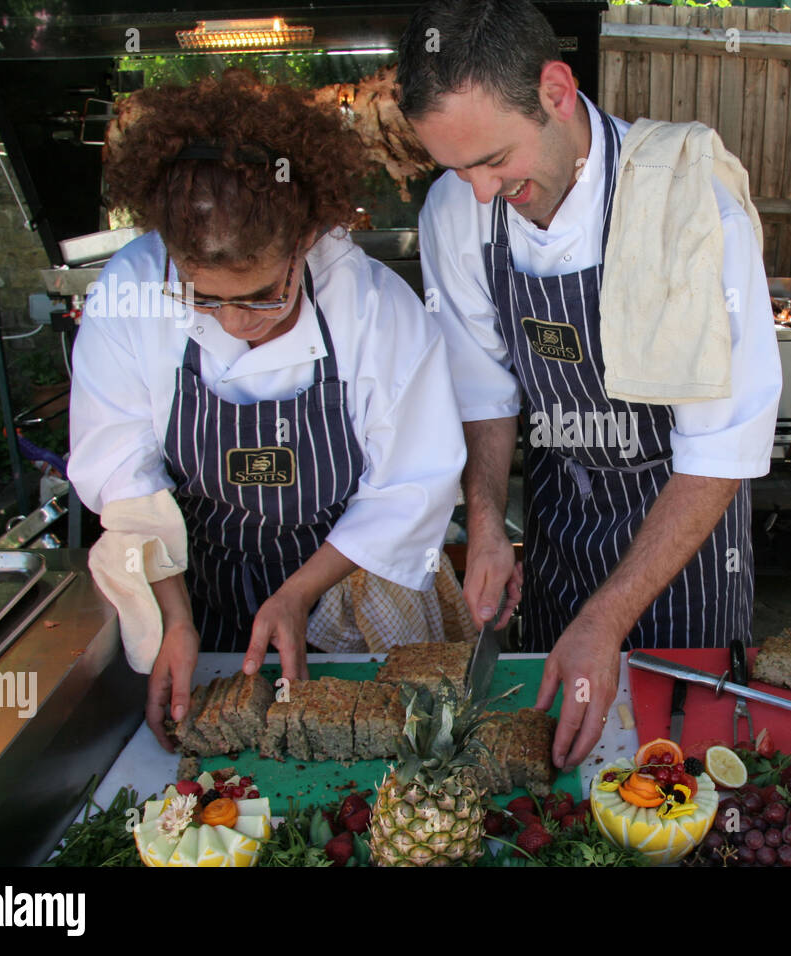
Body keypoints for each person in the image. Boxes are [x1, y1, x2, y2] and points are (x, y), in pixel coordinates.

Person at [398, 0, 781, 769]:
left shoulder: (689, 202)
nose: (477, 192)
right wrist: (485, 524)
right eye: (456, 169)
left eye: (493, 160)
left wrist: (607, 620)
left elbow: (720, 447)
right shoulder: (458, 210)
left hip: (687, 540)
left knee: (683, 770)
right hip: (562, 520)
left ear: (556, 92)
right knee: (553, 766)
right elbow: (485, 392)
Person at [68, 70, 465, 749]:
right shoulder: (131, 293)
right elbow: (123, 477)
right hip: (198, 587)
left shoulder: (371, 309)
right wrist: (173, 619)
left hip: (352, 591)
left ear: (305, 237)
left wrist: (298, 592)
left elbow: (412, 484)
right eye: (204, 298)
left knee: (369, 758)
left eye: (257, 297)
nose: (231, 324)